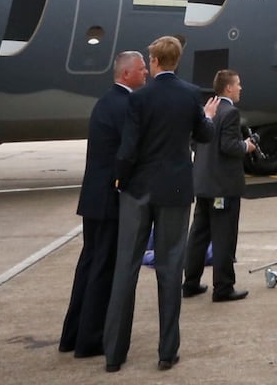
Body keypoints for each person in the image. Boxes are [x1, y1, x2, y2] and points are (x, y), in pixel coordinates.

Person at [101, 36, 217, 373]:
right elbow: (205, 136)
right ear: (176, 61)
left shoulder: (139, 98)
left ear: (154, 62)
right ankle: (167, 351)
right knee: (169, 269)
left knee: (127, 269)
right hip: (176, 192)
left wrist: (120, 178)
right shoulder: (190, 95)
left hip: (138, 191)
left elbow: (129, 147)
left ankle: (114, 353)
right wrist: (207, 117)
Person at [59, 50, 145, 359]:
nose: (145, 73)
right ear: (126, 74)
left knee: (88, 266)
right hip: (110, 200)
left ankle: (72, 335)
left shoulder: (105, 102)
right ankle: (90, 340)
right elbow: (129, 153)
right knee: (103, 270)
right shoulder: (126, 106)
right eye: (141, 69)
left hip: (93, 199)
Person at [184, 69, 252, 304]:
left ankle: (190, 282)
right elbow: (229, 146)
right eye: (238, 84)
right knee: (224, 236)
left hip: (202, 182)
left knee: (199, 234)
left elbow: (194, 141)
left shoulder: (208, 110)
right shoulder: (230, 112)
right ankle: (223, 287)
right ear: (229, 88)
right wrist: (247, 147)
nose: (241, 88)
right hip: (222, 186)